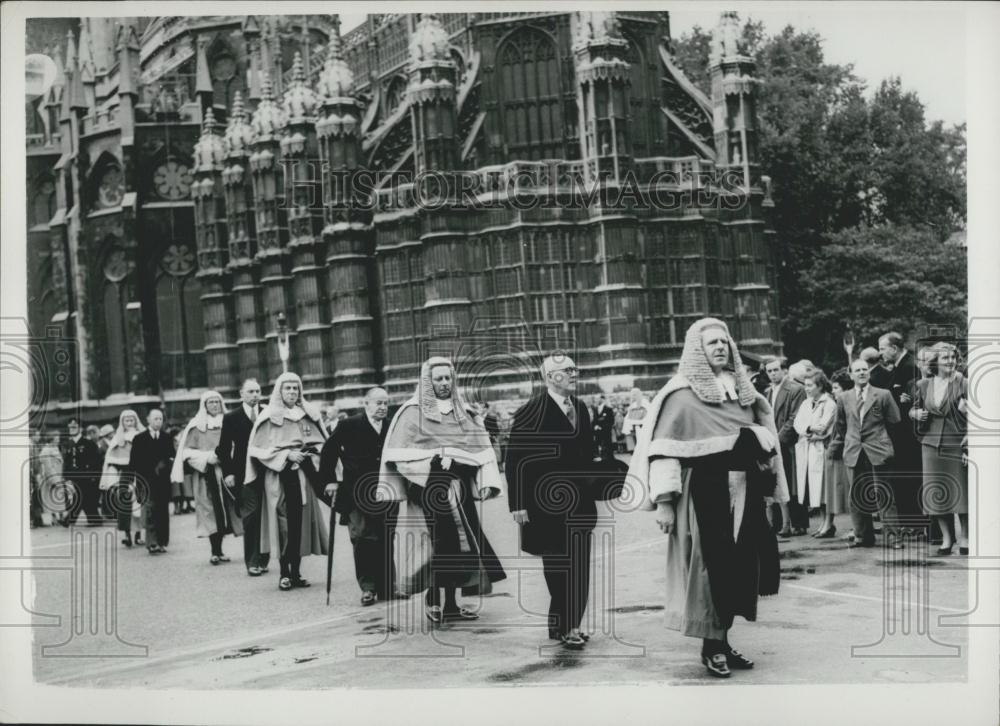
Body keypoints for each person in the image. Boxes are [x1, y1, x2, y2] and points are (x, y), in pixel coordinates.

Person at [628, 318, 787, 678]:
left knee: (739, 567)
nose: (720, 347)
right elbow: (665, 451)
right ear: (697, 351)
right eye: (712, 343)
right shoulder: (681, 395)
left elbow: (763, 444)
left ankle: (723, 640)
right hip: (703, 491)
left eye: (724, 342)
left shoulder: (744, 393)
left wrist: (770, 489)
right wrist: (665, 502)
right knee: (708, 571)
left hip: (744, 491)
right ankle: (710, 646)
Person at [379, 357, 506, 623]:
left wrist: (462, 463)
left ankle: (451, 603)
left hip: (457, 489)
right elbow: (400, 455)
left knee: (462, 546)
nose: (444, 383)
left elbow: (478, 450)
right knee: (436, 547)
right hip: (428, 489)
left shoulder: (464, 413)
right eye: (439, 378)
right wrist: (434, 463)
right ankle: (432, 599)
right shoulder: (412, 413)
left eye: (448, 378)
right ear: (428, 381)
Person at [505, 354, 605, 650]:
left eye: (576, 369)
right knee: (559, 566)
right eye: (568, 370)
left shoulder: (581, 408)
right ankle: (565, 624)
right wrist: (518, 504)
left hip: (580, 504)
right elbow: (515, 461)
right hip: (544, 505)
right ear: (550, 377)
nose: (575, 374)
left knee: (580, 566)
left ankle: (568, 622)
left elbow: (588, 454)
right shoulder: (530, 411)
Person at [245, 372, 329, 591]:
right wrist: (286, 455)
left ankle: (297, 571)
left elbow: (321, 442)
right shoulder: (270, 416)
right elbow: (257, 449)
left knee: (301, 523)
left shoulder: (307, 414)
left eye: (295, 388)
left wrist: (312, 452)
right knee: (284, 523)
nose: (292, 392)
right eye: (288, 388)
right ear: (279, 392)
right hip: (280, 477)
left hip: (305, 476)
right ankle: (284, 572)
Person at [320, 387, 403, 605]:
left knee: (386, 537)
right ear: (366, 404)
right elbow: (329, 451)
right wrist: (329, 480)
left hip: (387, 491)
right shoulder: (349, 425)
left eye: (385, 403)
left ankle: (387, 587)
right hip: (356, 492)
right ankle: (368, 588)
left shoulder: (392, 425)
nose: (382, 407)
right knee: (363, 538)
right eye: (378, 403)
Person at [829, 358, 902, 549]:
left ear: (868, 373)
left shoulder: (883, 395)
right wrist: (852, 442)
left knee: (884, 494)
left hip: (878, 451)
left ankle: (893, 537)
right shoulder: (843, 398)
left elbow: (894, 421)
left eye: (864, 369)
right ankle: (862, 536)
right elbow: (841, 425)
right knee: (857, 495)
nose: (862, 373)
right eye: (857, 370)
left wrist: (883, 443)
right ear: (851, 375)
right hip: (854, 451)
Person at [910, 342, 968, 555]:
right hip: (931, 444)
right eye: (945, 358)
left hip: (957, 443)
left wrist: (970, 436)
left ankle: (966, 538)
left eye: (953, 357)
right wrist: (913, 414)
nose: (951, 361)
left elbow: (979, 415)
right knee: (938, 494)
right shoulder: (924, 384)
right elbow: (914, 408)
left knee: (961, 493)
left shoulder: (964, 383)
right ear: (935, 362)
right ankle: (946, 538)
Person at [174, 391, 242, 565]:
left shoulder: (229, 421)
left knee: (228, 509)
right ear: (204, 405)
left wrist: (228, 457)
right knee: (209, 511)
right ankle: (215, 551)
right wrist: (207, 457)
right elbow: (186, 451)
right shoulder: (196, 426)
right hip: (206, 474)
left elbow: (237, 443)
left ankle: (222, 549)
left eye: (217, 401)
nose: (214, 405)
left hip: (227, 472)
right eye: (210, 402)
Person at [217, 378, 269, 576]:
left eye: (257, 391)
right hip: (244, 474)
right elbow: (223, 449)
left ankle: (264, 558)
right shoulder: (231, 418)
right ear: (241, 394)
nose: (255, 395)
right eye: (250, 391)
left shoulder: (267, 414)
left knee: (267, 514)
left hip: (268, 470)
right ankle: (252, 561)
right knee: (251, 516)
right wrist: (228, 472)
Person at [878, 332, 923, 532]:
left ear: (894, 348)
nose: (881, 353)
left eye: (882, 348)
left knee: (910, 477)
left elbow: (915, 398)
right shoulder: (899, 367)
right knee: (904, 478)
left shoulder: (909, 367)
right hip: (900, 434)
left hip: (908, 435)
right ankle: (908, 522)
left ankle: (914, 524)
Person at [762, 356, 807, 536]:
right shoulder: (768, 392)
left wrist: (777, 440)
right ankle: (781, 523)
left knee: (793, 483)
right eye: (769, 371)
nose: (773, 374)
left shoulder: (796, 389)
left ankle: (799, 524)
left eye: (776, 370)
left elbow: (794, 418)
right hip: (774, 444)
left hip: (789, 444)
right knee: (780, 483)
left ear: (784, 370)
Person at [791, 370, 838, 536]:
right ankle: (823, 524)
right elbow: (797, 424)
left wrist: (808, 430)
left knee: (824, 489)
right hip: (808, 449)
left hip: (821, 450)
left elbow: (824, 429)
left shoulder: (829, 404)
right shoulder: (806, 402)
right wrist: (809, 428)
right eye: (806, 385)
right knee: (815, 489)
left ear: (820, 386)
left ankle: (828, 523)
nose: (807, 389)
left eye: (810, 385)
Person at [127, 409, 175, 554]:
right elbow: (133, 462)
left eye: (160, 419)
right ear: (148, 419)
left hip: (162, 481)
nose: (158, 422)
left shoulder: (166, 438)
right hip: (146, 480)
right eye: (155, 419)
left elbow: (172, 456)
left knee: (162, 511)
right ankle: (152, 542)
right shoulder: (139, 438)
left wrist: (166, 465)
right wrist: (130, 481)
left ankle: (162, 542)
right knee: (150, 510)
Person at [102, 410, 146, 547]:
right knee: (125, 504)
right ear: (122, 422)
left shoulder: (142, 435)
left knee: (140, 503)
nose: (129, 422)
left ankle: (138, 534)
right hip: (125, 474)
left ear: (135, 420)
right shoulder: (118, 438)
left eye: (131, 420)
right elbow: (111, 458)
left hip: (139, 472)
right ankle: (127, 534)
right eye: (126, 420)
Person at [821, 370, 854, 537]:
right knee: (833, 490)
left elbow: (843, 430)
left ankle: (854, 527)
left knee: (847, 491)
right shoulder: (837, 403)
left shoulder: (847, 403)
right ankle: (828, 524)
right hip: (834, 450)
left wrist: (833, 446)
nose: (833, 391)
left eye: (836, 387)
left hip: (843, 452)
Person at [61, 417, 104, 527]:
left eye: (74, 427)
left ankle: (70, 520)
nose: (72, 429)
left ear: (80, 428)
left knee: (84, 498)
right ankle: (94, 519)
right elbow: (66, 462)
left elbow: (97, 461)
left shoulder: (88, 443)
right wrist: (65, 476)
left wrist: (95, 476)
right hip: (73, 477)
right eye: (70, 427)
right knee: (81, 498)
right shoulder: (67, 444)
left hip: (87, 477)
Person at [622, 388, 651, 452]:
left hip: (641, 428)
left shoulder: (645, 403)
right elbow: (627, 418)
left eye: (635, 395)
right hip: (633, 429)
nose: (633, 397)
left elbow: (648, 416)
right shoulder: (632, 405)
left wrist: (637, 421)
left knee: (642, 445)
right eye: (632, 395)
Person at [593, 394, 616, 461]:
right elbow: (594, 420)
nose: (596, 400)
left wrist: (602, 427)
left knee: (607, 448)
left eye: (597, 399)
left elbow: (611, 421)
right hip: (597, 432)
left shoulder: (608, 409)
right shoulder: (595, 409)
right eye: (595, 399)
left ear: (602, 399)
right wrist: (595, 426)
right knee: (598, 447)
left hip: (606, 432)